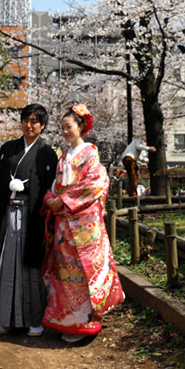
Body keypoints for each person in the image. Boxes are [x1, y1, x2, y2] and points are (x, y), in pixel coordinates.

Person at [42, 103, 125, 344]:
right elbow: (55, 185)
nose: (65, 131)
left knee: (81, 272)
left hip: (83, 224)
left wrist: (65, 200)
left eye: (68, 126)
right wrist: (51, 199)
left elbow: (97, 183)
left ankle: (84, 321)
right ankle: (66, 319)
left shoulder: (90, 154)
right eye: (62, 128)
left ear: (81, 127)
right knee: (65, 273)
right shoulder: (63, 157)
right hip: (64, 224)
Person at [0, 103, 58, 337]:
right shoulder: (8, 149)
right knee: (6, 264)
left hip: (33, 217)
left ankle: (34, 319)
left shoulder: (47, 154)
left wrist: (49, 223)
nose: (29, 125)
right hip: (6, 215)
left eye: (34, 121)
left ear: (42, 126)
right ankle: (5, 318)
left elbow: (51, 189)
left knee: (30, 266)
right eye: (26, 120)